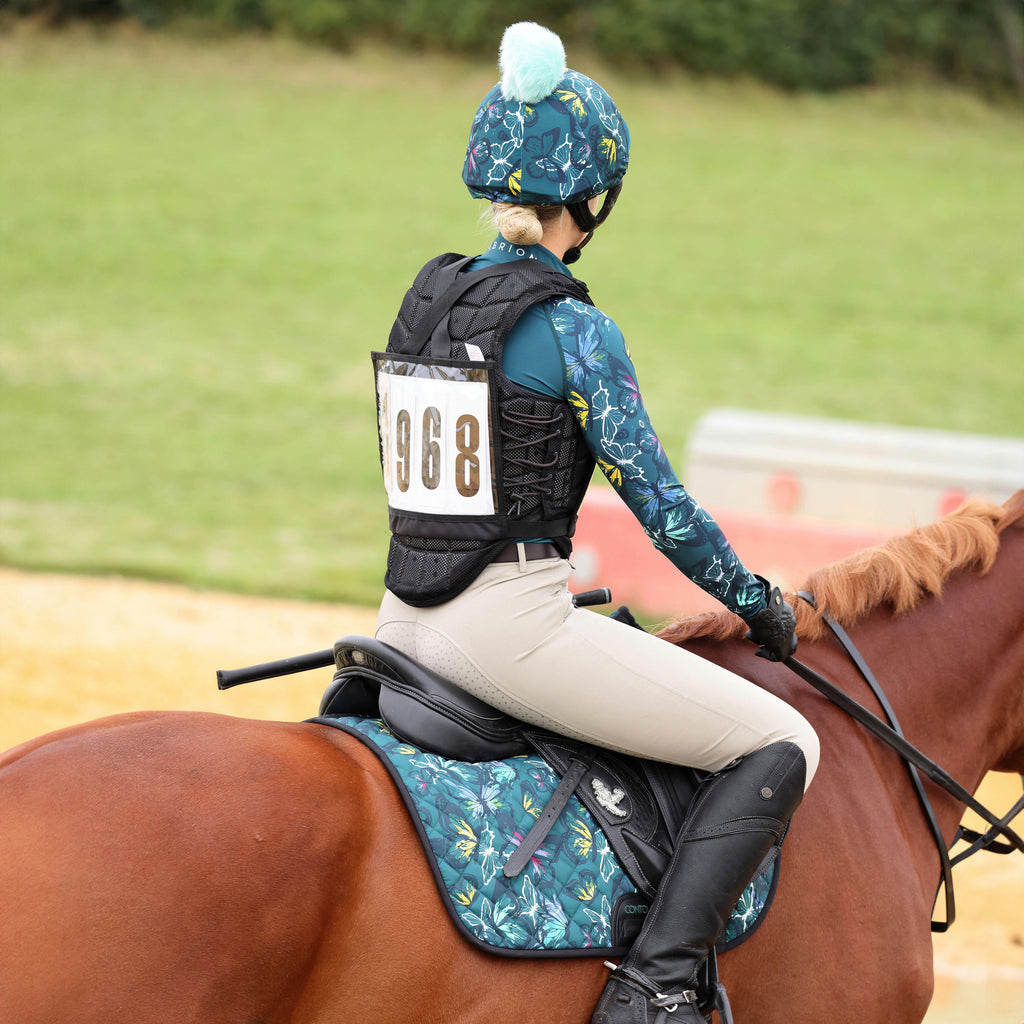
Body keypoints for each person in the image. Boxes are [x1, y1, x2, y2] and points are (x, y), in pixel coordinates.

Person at [372, 22, 819, 1024]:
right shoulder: (572, 327)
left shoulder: (429, 297)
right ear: (592, 197)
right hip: (508, 633)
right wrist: (757, 603)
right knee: (780, 742)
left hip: (397, 625)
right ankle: (657, 987)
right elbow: (662, 506)